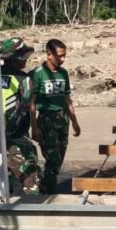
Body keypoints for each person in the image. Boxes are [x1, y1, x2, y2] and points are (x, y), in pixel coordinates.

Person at [0, 37, 40, 194]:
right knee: (30, 179)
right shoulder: (24, 80)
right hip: (17, 139)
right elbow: (24, 109)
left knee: (0, 181)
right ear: (18, 58)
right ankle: (33, 214)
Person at [22, 39, 81, 194]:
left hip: (63, 119)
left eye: (64, 56)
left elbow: (67, 99)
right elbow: (32, 103)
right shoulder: (37, 74)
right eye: (60, 56)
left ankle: (45, 182)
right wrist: (34, 127)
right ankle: (49, 192)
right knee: (52, 158)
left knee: (59, 157)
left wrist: (74, 121)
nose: (63, 59)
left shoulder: (63, 73)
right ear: (49, 55)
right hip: (46, 120)